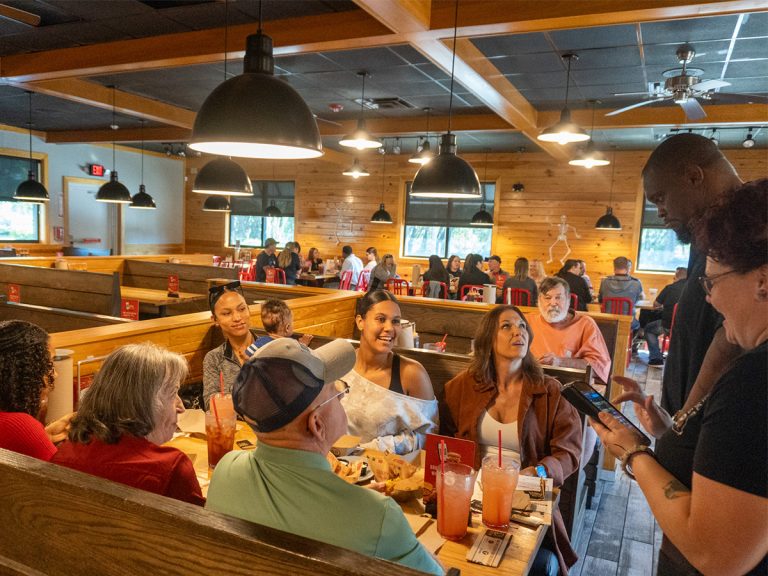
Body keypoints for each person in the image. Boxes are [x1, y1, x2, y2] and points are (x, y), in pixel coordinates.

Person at [595, 179, 767, 575]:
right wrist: (669, 430)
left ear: (762, 280)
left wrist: (632, 451)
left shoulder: (755, 380)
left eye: (713, 281)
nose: (709, 298)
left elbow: (716, 556)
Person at [206, 338, 443, 575]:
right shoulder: (379, 517)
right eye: (334, 390)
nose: (341, 396)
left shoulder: (225, 471)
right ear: (317, 425)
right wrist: (363, 510)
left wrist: (354, 502)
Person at [440, 305, 582, 576]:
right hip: (472, 498)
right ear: (488, 339)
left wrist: (539, 471)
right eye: (507, 326)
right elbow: (444, 441)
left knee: (534, 562)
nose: (518, 331)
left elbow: (570, 451)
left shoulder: (549, 391)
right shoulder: (461, 387)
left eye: (522, 326)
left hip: (526, 497)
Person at [643, 133, 743, 416]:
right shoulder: (706, 230)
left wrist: (684, 419)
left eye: (661, 198)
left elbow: (731, 336)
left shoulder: (743, 226)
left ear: (693, 176)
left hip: (713, 422)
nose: (661, 212)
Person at [52, 343, 205, 506]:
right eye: (173, 393)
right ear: (146, 402)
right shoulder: (171, 468)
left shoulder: (63, 454)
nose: (181, 407)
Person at [341, 290, 438, 454]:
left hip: (388, 471)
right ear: (360, 321)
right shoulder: (340, 364)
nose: (389, 328)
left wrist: (375, 448)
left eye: (395, 321)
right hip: (334, 465)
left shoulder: (411, 374)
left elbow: (428, 435)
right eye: (381, 319)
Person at [0, 320, 74, 461]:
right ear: (24, 372)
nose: (55, 374)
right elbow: (59, 477)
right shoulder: (21, 426)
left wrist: (44, 437)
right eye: (48, 365)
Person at [527, 277, 611, 384]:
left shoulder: (585, 324)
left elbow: (599, 367)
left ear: (568, 300)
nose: (553, 303)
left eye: (558, 298)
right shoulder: (527, 322)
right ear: (539, 300)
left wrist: (560, 362)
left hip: (568, 387)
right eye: (547, 298)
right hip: (531, 383)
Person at [203, 281, 258, 409]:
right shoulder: (214, 358)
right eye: (227, 313)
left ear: (249, 310)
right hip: (234, 426)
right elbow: (210, 404)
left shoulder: (270, 349)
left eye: (242, 309)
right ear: (215, 320)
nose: (237, 317)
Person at [644, 267, 687, 366]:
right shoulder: (693, 290)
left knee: (649, 329)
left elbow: (656, 304)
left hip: (667, 326)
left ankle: (656, 359)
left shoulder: (670, 288)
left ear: (676, 276)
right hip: (686, 328)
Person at [598, 256, 644, 330]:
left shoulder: (604, 282)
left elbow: (600, 300)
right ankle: (630, 340)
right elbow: (640, 299)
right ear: (628, 268)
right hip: (627, 322)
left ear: (614, 267)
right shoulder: (636, 283)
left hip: (608, 320)